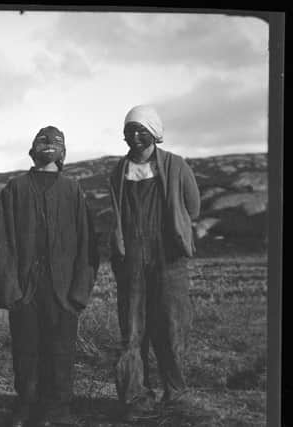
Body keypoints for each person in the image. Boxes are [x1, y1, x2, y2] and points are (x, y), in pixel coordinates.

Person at [0, 126, 99, 427]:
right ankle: (26, 405)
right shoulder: (15, 188)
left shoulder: (72, 189)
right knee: (26, 349)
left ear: (63, 152)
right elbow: (3, 242)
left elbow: (87, 244)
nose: (49, 145)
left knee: (61, 351)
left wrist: (80, 290)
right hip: (25, 288)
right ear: (31, 150)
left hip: (63, 290)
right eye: (42, 141)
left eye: (56, 142)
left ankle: (57, 409)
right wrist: (10, 288)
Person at [108, 105, 200, 421]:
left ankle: (175, 394)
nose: (134, 136)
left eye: (140, 130)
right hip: (130, 260)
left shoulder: (175, 165)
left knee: (170, 327)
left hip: (168, 259)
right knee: (132, 330)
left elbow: (193, 206)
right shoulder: (118, 171)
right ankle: (136, 397)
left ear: (154, 132)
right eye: (129, 130)